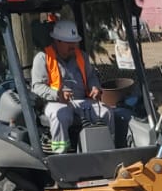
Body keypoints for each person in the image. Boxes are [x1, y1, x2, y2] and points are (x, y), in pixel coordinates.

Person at [31, 19, 116, 152]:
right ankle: (61, 154)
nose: (73, 46)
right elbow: (37, 86)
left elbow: (91, 77)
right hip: (56, 103)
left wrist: (95, 87)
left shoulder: (81, 56)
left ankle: (110, 150)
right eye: (69, 43)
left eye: (75, 42)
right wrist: (57, 94)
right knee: (60, 115)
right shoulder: (42, 58)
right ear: (57, 41)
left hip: (82, 101)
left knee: (107, 112)